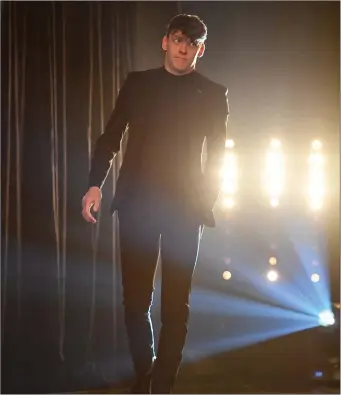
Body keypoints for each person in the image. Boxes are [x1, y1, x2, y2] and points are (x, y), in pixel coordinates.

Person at [81, 13, 229, 394]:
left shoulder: (212, 93)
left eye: (193, 43)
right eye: (179, 39)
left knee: (175, 306)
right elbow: (110, 137)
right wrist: (94, 184)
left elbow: (218, 155)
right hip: (137, 205)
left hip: (185, 208)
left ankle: (161, 387)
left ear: (202, 50)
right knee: (135, 302)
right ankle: (146, 374)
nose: (184, 48)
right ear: (165, 41)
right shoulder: (138, 84)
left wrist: (205, 198)